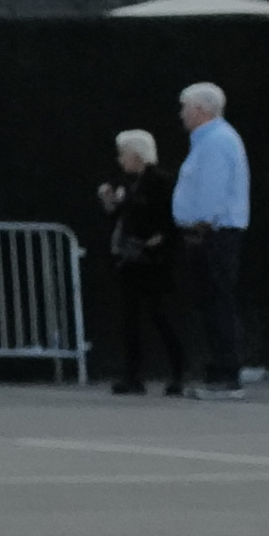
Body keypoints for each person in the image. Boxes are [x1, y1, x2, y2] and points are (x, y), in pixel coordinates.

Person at [167, 76, 258, 392]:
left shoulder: (216, 141)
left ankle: (226, 372)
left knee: (217, 301)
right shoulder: (210, 140)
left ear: (201, 109)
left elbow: (212, 192)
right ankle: (220, 367)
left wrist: (199, 227)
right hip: (210, 233)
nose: (182, 114)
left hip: (214, 234)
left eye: (185, 107)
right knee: (211, 302)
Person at [87, 123, 178, 397]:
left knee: (160, 316)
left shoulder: (160, 181)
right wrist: (110, 204)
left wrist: (159, 238)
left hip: (153, 259)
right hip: (129, 259)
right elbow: (123, 219)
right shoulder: (127, 184)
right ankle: (132, 375)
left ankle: (177, 372)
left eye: (123, 153)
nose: (120, 159)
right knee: (130, 319)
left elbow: (167, 216)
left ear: (137, 155)